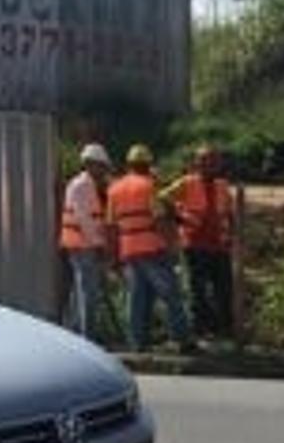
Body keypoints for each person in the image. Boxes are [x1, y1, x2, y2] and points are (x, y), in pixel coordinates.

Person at [108, 143, 194, 354]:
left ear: (129, 164)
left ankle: (138, 343)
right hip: (152, 248)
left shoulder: (114, 189)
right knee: (171, 294)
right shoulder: (149, 185)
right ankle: (182, 339)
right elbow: (160, 220)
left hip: (128, 250)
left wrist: (113, 256)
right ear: (147, 164)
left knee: (137, 299)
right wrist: (172, 247)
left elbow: (110, 226)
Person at [163, 145, 237, 340]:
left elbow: (229, 213)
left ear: (219, 164)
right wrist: (179, 218)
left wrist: (231, 235)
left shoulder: (222, 186)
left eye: (213, 161)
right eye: (204, 161)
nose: (209, 165)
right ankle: (201, 330)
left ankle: (224, 330)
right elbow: (161, 198)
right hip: (194, 244)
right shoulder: (187, 183)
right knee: (198, 290)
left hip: (219, 245)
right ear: (197, 164)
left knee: (224, 289)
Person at [59, 142, 119, 344]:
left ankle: (72, 335)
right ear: (91, 164)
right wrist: (98, 244)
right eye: (101, 166)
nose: (103, 171)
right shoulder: (82, 186)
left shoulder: (85, 185)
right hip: (83, 246)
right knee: (87, 292)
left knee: (80, 293)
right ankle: (88, 338)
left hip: (82, 245)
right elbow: (85, 219)